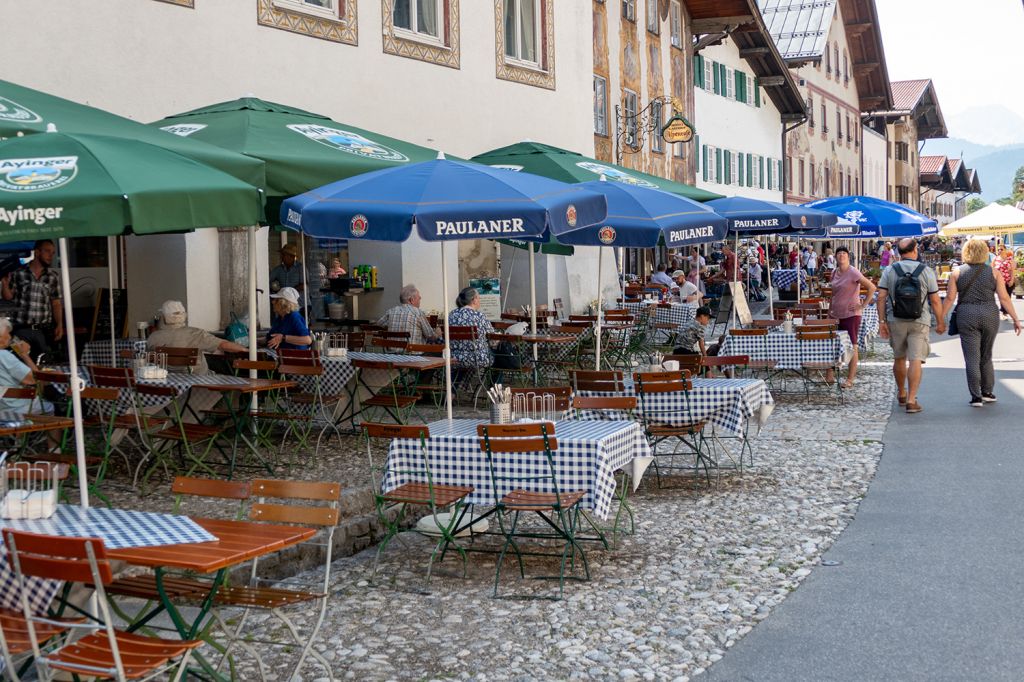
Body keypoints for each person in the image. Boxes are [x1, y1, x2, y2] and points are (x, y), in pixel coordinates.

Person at [940, 239, 1022, 407]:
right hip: (989, 314)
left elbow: (949, 298)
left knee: (971, 357)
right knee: (986, 355)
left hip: (966, 314)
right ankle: (988, 392)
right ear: (985, 253)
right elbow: (1004, 298)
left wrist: (940, 317)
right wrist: (1015, 319)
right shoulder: (993, 273)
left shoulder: (957, 273)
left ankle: (976, 396)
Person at [876, 238, 945, 414]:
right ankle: (912, 400)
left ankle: (901, 393)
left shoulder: (890, 270)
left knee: (899, 357)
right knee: (915, 359)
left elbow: (881, 297)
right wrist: (940, 322)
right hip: (919, 320)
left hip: (895, 319)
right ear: (915, 250)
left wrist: (882, 322)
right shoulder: (926, 271)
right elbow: (935, 300)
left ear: (899, 252)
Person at [1, 240, 63, 361]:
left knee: (44, 363)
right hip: (21, 328)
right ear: (37, 252)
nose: (51, 255)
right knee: (21, 362)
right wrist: (4, 284)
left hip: (43, 329)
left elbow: (56, 303)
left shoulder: (53, 276)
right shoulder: (18, 272)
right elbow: (8, 297)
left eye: (53, 252)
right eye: (47, 251)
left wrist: (59, 324)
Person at [147, 301, 248, 375]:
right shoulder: (195, 333)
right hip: (197, 380)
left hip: (170, 383)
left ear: (164, 317)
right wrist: (246, 351)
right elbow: (223, 345)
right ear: (184, 315)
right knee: (228, 368)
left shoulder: (153, 337)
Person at [828, 247, 877, 388]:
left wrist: (862, 306)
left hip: (851, 315)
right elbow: (833, 294)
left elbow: (872, 287)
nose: (841, 255)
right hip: (835, 314)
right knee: (832, 344)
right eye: (839, 253)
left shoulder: (853, 271)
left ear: (848, 257)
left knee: (852, 345)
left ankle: (850, 379)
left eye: (844, 253)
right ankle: (830, 374)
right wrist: (829, 311)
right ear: (835, 257)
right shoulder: (834, 272)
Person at [448, 287, 495, 369]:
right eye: (479, 298)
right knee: (500, 354)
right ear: (474, 300)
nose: (479, 301)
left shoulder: (452, 315)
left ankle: (461, 381)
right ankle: (496, 381)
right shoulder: (479, 316)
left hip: (453, 358)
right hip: (477, 358)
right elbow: (492, 338)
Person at [269, 243, 307, 310]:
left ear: (292, 257)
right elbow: (268, 281)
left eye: (284, 255)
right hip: (285, 306)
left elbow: (304, 286)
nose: (282, 257)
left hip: (300, 304)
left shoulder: (301, 268)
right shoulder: (278, 269)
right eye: (282, 255)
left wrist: (288, 291)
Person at [992, 246, 1015, 318]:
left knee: (1008, 296)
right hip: (999, 281)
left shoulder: (1010, 259)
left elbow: (1012, 270)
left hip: (1008, 280)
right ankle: (1003, 311)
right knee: (1001, 296)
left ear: (1005, 250)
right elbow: (992, 269)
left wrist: (1012, 280)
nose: (999, 250)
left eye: (1001, 249)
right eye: (998, 249)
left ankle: (1005, 311)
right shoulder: (995, 259)